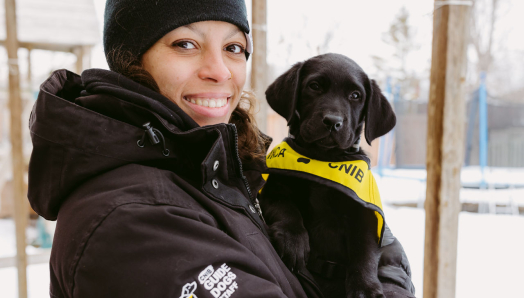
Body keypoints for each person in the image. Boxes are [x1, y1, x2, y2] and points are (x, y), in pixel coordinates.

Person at [27, 1, 415, 297]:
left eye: (233, 47)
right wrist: (390, 262)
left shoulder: (226, 171)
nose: (219, 70)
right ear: (131, 61)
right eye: (185, 43)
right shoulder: (130, 218)